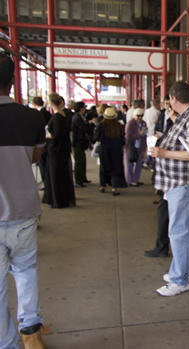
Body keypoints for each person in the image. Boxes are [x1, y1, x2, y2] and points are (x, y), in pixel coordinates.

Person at [0, 52, 47, 349]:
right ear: (13, 80)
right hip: (23, 209)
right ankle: (32, 335)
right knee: (26, 272)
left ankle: (7, 342)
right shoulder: (32, 116)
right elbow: (34, 156)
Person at [150, 81, 189, 296]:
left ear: (174, 99)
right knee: (182, 231)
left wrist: (164, 153)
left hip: (185, 183)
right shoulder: (187, 116)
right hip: (178, 182)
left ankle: (179, 279)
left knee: (180, 233)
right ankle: (188, 271)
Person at [144, 95, 174, 258]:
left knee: (168, 213)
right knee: (164, 211)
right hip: (164, 171)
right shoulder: (164, 116)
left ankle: (163, 247)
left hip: (173, 176)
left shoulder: (179, 122)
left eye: (170, 104)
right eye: (165, 104)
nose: (168, 107)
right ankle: (162, 246)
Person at [42, 92, 76, 208]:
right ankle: (61, 198)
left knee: (56, 174)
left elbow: (56, 135)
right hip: (62, 150)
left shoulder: (57, 117)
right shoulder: (62, 115)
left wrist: (46, 136)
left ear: (51, 103)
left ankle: (58, 199)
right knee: (61, 174)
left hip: (56, 151)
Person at [93, 106, 127, 196]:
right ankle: (114, 188)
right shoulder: (119, 125)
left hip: (105, 150)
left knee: (104, 167)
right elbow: (123, 139)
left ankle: (102, 186)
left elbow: (95, 137)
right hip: (116, 150)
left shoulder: (101, 125)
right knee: (116, 168)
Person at [71, 101, 94, 187]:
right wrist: (90, 125)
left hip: (80, 141)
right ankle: (78, 180)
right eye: (84, 107)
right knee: (79, 161)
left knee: (82, 160)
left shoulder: (79, 117)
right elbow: (83, 128)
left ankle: (82, 178)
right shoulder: (77, 118)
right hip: (77, 142)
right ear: (80, 108)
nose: (85, 109)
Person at [32, 96, 52, 187]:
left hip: (42, 141)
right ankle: (48, 181)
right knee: (47, 163)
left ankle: (45, 182)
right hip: (49, 140)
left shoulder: (37, 114)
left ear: (34, 104)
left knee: (42, 164)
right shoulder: (48, 113)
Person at [124, 107, 147, 186]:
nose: (140, 117)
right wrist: (139, 134)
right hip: (130, 146)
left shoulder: (144, 123)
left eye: (141, 115)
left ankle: (136, 179)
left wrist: (144, 148)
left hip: (139, 146)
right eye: (138, 116)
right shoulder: (130, 123)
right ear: (134, 115)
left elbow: (144, 137)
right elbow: (128, 137)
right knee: (129, 164)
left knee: (139, 163)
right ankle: (129, 180)